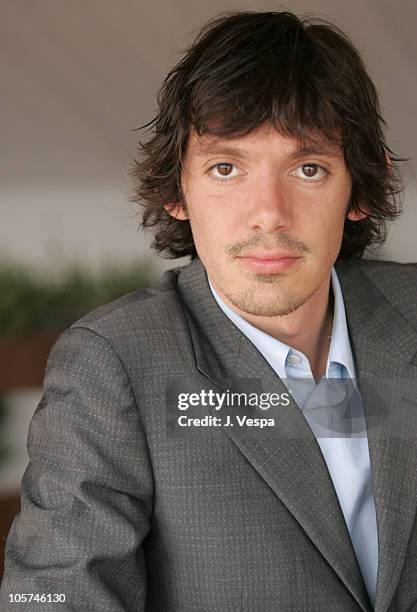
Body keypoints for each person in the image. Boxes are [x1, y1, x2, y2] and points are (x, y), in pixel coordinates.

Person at [1, 9, 416, 612]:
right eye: (227, 168)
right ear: (177, 191)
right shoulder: (114, 363)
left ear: (356, 189)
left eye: (308, 168)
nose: (268, 212)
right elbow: (51, 598)